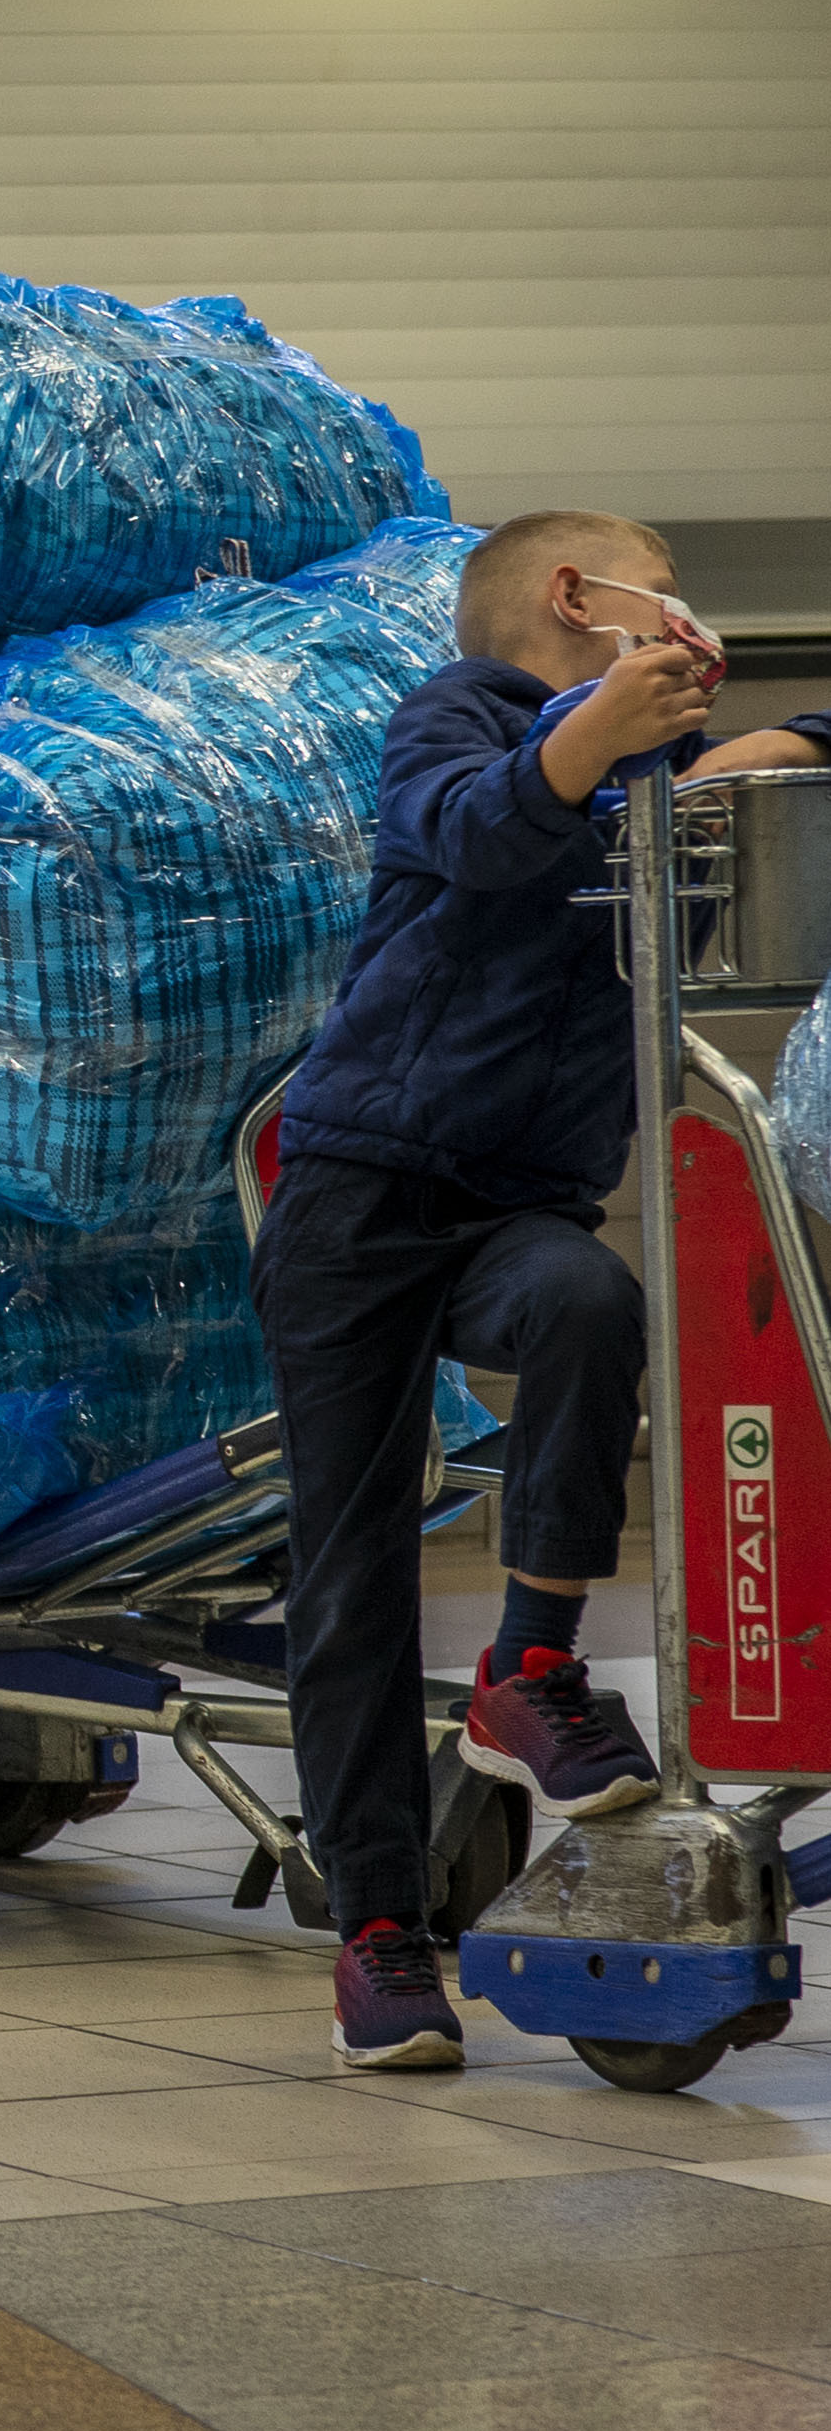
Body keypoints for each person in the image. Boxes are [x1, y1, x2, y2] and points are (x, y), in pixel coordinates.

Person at [256, 508, 831, 2071]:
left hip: (518, 1209)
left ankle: (529, 1664)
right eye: (664, 589)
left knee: (589, 1305)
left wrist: (763, 735)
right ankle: (379, 1934)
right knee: (352, 1566)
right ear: (578, 598)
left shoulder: (646, 783)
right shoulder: (459, 716)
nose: (689, 622)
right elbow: (481, 831)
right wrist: (605, 735)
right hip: (359, 1198)